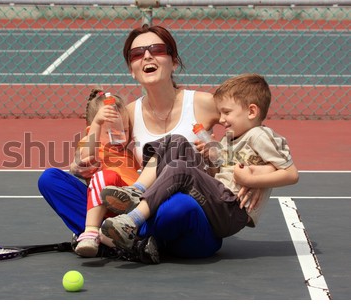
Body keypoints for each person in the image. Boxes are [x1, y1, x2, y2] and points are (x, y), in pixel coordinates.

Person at [38, 24, 252, 261]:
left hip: (193, 214)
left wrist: (252, 177)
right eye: (137, 54)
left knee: (178, 206)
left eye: (157, 49)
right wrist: (78, 167)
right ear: (132, 69)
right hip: (142, 209)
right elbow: (100, 150)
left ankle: (117, 240)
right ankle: (126, 239)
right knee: (52, 180)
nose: (147, 56)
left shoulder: (203, 103)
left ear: (174, 62)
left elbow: (250, 127)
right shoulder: (129, 113)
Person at [99, 73, 299, 250]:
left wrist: (251, 180)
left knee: (182, 170)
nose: (221, 119)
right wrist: (212, 159)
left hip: (232, 210)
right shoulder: (230, 138)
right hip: (218, 199)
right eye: (220, 113)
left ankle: (131, 221)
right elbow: (218, 176)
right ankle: (137, 191)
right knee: (176, 141)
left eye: (226, 112)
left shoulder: (260, 135)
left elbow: (291, 174)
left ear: (252, 111)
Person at [73, 88, 140, 257]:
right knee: (105, 175)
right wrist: (96, 124)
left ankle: (112, 240)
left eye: (123, 131)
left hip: (130, 205)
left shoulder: (129, 154)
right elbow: (86, 156)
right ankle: (91, 232)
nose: (118, 138)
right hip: (104, 204)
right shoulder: (94, 148)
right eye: (110, 132)